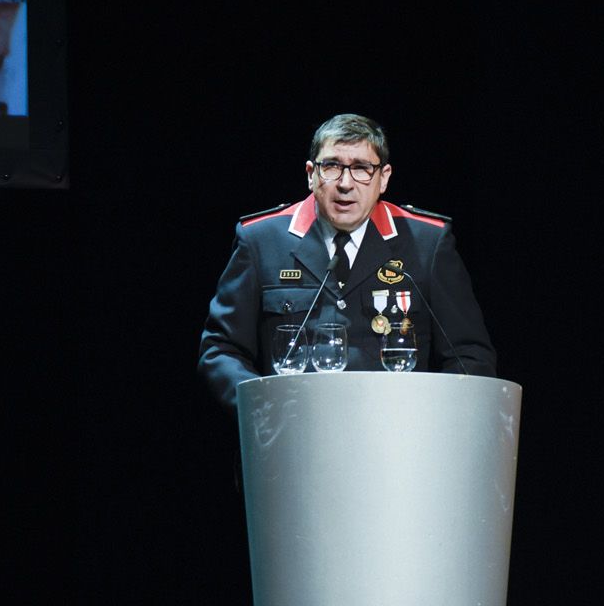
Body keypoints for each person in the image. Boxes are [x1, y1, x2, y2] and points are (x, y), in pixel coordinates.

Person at [199, 113, 496, 410]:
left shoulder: (427, 242)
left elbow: (469, 355)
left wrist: (432, 421)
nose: (345, 183)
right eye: (331, 166)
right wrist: (262, 409)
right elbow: (221, 349)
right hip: (293, 436)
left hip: (398, 438)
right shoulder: (261, 240)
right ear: (310, 174)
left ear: (383, 178)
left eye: (361, 168)